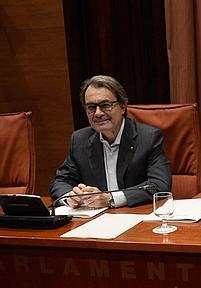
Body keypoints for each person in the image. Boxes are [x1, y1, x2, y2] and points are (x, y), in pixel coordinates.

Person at [49, 75, 171, 208]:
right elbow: (60, 181)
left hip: (137, 215)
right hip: (96, 219)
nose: (98, 113)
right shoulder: (80, 140)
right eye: (91, 107)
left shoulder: (148, 138)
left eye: (105, 105)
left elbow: (160, 184)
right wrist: (71, 197)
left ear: (123, 106)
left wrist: (110, 198)